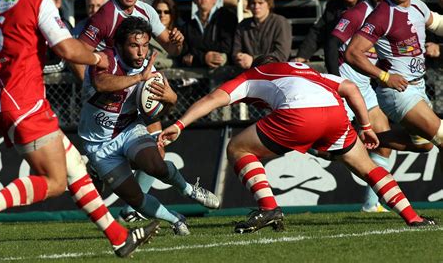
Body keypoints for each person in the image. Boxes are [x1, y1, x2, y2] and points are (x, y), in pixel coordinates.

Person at [0, 0, 159, 257]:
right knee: (55, 182)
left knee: (73, 168)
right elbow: (69, 50)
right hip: (26, 102)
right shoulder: (37, 2)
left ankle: (119, 237)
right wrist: (99, 57)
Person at [159, 55, 437, 233]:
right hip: (334, 112)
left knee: (238, 148)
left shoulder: (253, 75)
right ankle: (413, 217)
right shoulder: (304, 69)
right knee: (366, 167)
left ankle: (269, 207)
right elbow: (350, 88)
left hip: (299, 115)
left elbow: (211, 100)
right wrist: (365, 126)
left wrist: (179, 125)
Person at [78, 16, 220, 235]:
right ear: (119, 45)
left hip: (129, 129)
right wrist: (137, 79)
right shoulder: (105, 59)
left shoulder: (150, 72)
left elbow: (153, 113)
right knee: (135, 199)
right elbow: (101, 83)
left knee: (155, 164)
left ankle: (189, 190)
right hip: (98, 144)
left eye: (145, 45)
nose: (141, 52)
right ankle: (175, 219)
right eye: (134, 46)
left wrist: (170, 100)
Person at [345, 0, 443, 170]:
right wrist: (385, 77)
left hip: (417, 87)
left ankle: (362, 138)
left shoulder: (418, 6)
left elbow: (439, 24)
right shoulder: (382, 16)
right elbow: (352, 53)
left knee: (424, 145)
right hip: (396, 93)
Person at [330, 0, 392, 212]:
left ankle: (371, 203)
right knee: (330, 147)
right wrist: (335, 81)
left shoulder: (390, 16)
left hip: (365, 89)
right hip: (345, 86)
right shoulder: (358, 13)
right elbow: (332, 43)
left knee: (384, 140)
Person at [75, 0, 184, 80]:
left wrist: (177, 43)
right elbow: (77, 55)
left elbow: (172, 50)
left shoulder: (147, 11)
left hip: (137, 74)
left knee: (168, 95)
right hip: (111, 78)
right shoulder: (104, 16)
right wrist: (89, 83)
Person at [294, 0, 365, 75]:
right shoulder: (333, 6)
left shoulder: (369, 6)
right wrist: (303, 55)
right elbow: (318, 31)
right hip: (339, 58)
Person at [180, 0, 238, 68]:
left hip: (223, 71)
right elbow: (185, 50)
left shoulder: (228, 17)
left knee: (220, 58)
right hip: (196, 69)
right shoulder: (188, 24)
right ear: (194, 0)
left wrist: (198, 55)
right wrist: (204, 57)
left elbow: (227, 47)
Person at [233, 0, 292, 69]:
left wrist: (254, 60)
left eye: (260, 3)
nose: (256, 6)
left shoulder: (280, 23)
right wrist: (239, 57)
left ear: (269, 4)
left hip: (275, 72)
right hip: (249, 73)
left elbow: (282, 55)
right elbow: (235, 52)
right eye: (253, 3)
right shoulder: (242, 25)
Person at [150, 0, 180, 69]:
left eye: (166, 12)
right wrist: (171, 62)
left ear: (172, 14)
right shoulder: (146, 35)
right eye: (158, 12)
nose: (162, 15)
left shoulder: (180, 34)